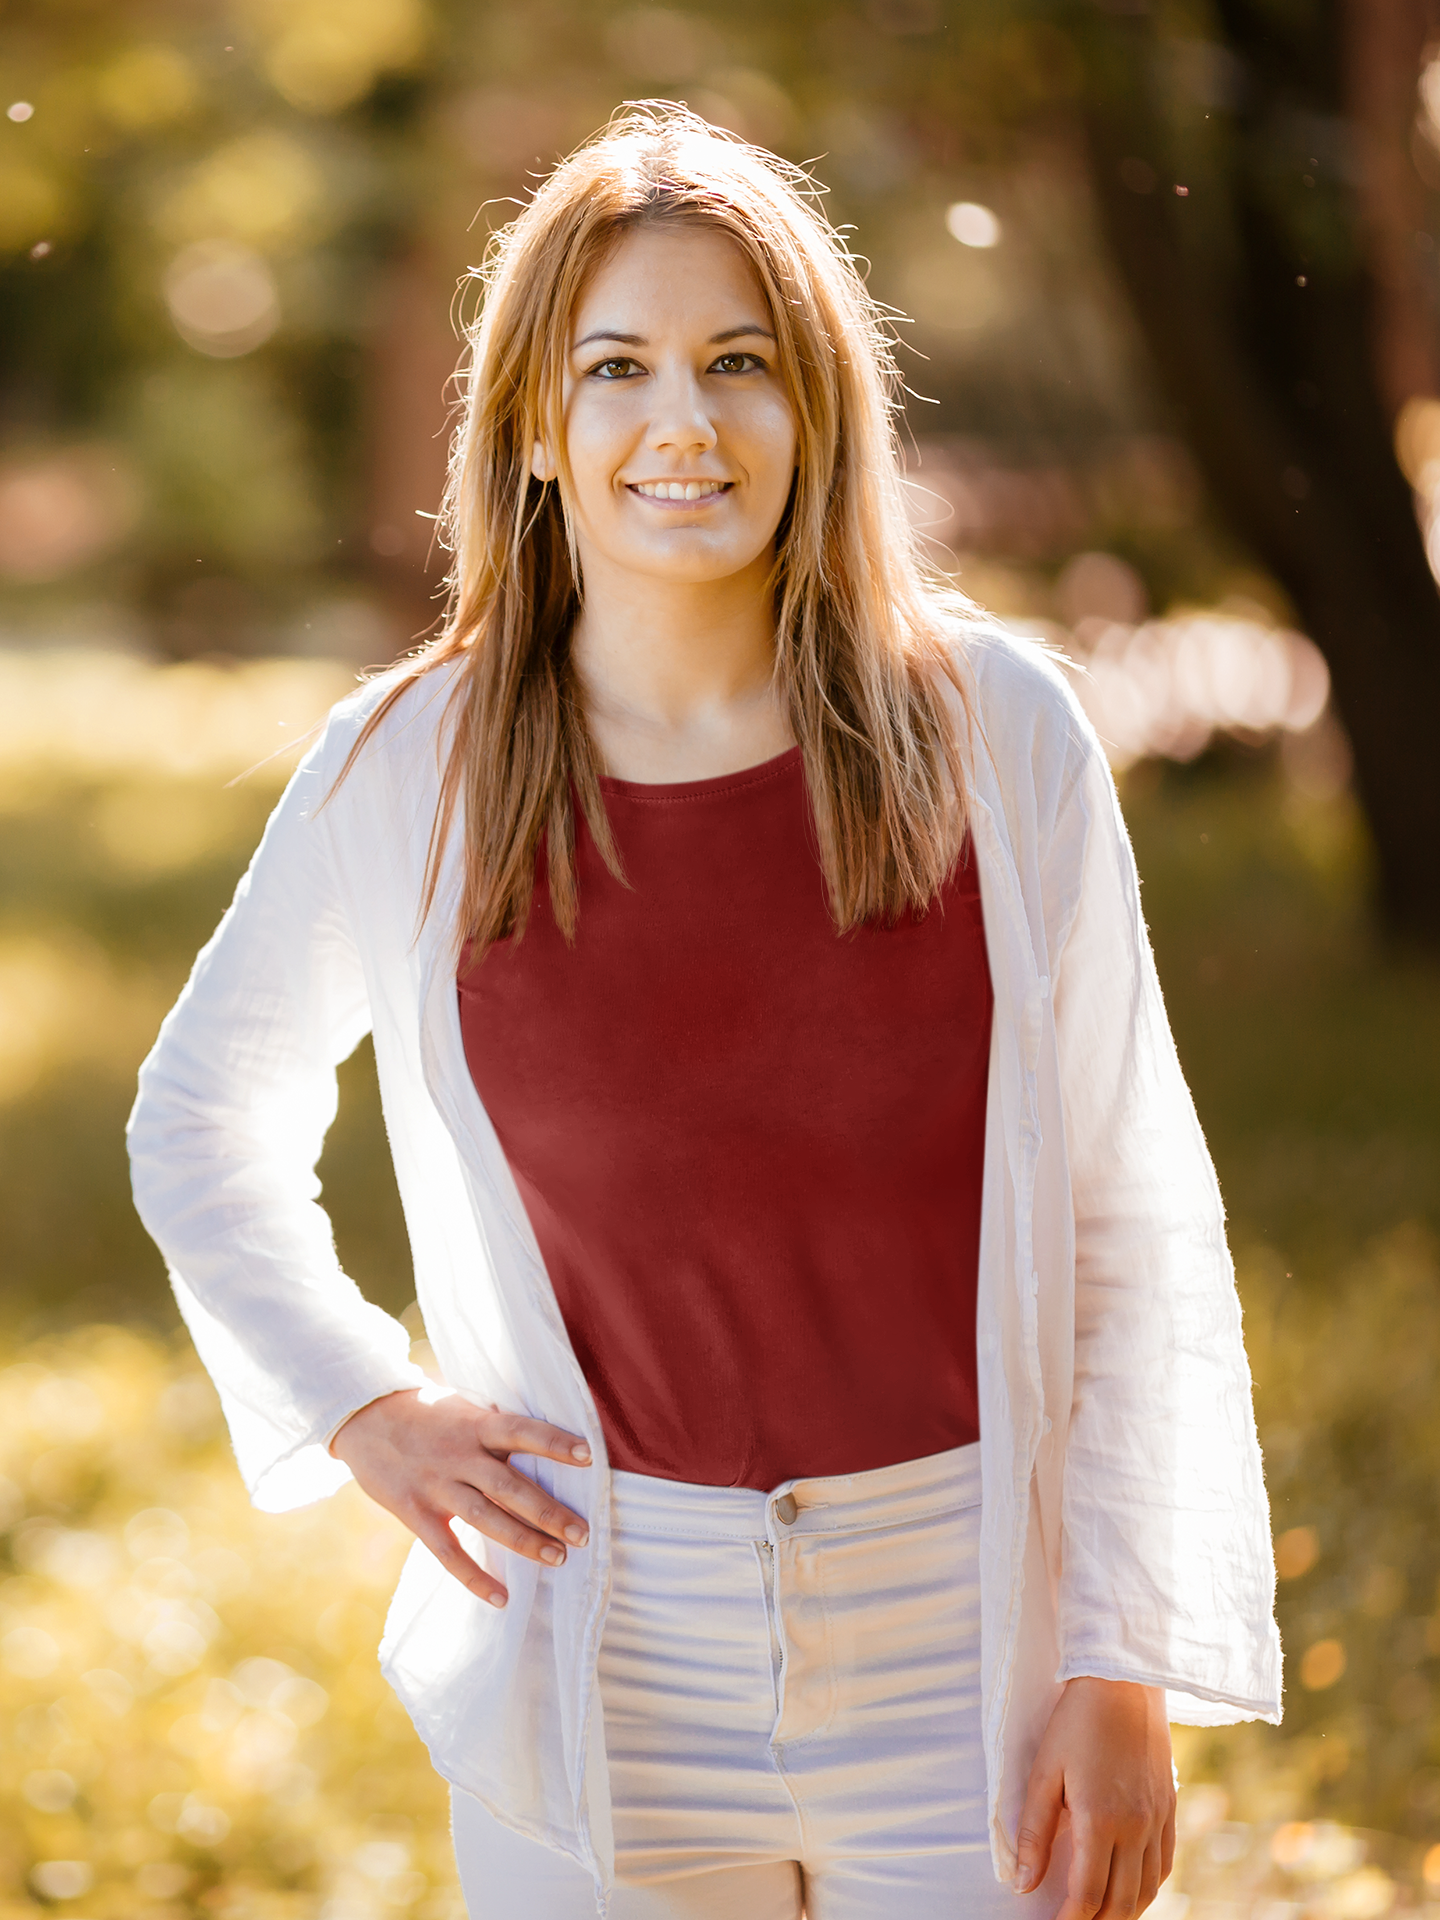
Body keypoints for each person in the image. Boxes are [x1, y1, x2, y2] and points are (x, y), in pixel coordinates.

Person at [127, 104, 1281, 1920]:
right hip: (598, 1636)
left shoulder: (1000, 738)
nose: (684, 421)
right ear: (532, 426)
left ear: (820, 406)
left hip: (965, 1635)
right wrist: (361, 1406)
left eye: (741, 362)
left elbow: (1128, 1216)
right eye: (618, 368)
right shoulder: (409, 767)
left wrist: (1117, 1653)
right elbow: (200, 1117)